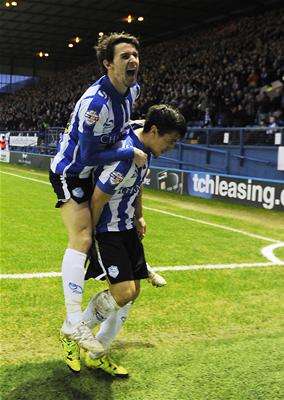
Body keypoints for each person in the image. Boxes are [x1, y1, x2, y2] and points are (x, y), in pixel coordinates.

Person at [62, 104, 186, 376]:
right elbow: (98, 198)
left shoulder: (146, 150)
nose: (171, 147)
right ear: (154, 131)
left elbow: (137, 186)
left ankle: (98, 352)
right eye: (170, 140)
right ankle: (71, 333)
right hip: (107, 231)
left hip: (127, 228)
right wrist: (91, 234)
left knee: (132, 294)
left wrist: (139, 215)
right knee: (124, 292)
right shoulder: (125, 158)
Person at [49, 32, 148, 355]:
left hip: (91, 171)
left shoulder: (132, 90)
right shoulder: (96, 104)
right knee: (82, 237)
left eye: (135, 54)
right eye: (124, 56)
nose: (132, 59)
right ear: (108, 64)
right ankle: (74, 321)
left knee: (108, 229)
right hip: (72, 171)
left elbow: (120, 132)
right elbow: (88, 157)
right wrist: (128, 152)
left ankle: (115, 286)